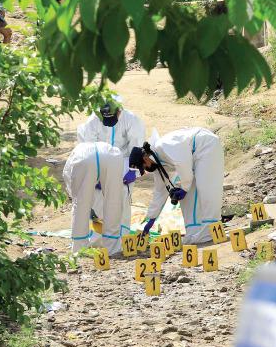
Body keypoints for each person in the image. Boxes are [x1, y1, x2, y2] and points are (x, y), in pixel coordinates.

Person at [129, 127, 224, 244]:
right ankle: (193, 231)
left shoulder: (164, 146)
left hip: (205, 146)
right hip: (193, 157)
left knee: (206, 188)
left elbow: (183, 164)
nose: (146, 170)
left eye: (144, 167)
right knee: (187, 197)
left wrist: (184, 188)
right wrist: (151, 218)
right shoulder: (158, 164)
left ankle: (210, 230)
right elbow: (159, 192)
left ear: (145, 157)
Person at [76, 97, 145, 236]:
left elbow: (136, 146)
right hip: (100, 158)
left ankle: (122, 237)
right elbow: (89, 150)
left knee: (123, 198)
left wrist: (132, 169)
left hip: (124, 159)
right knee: (97, 200)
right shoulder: (93, 121)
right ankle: (98, 239)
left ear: (119, 111)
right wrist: (95, 177)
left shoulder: (131, 120)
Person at [63, 142, 127, 256]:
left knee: (80, 206)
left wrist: (75, 197)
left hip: (84, 159)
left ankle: (79, 248)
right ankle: (112, 247)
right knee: (114, 201)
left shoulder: (76, 154)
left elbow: (69, 177)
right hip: (112, 158)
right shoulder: (83, 149)